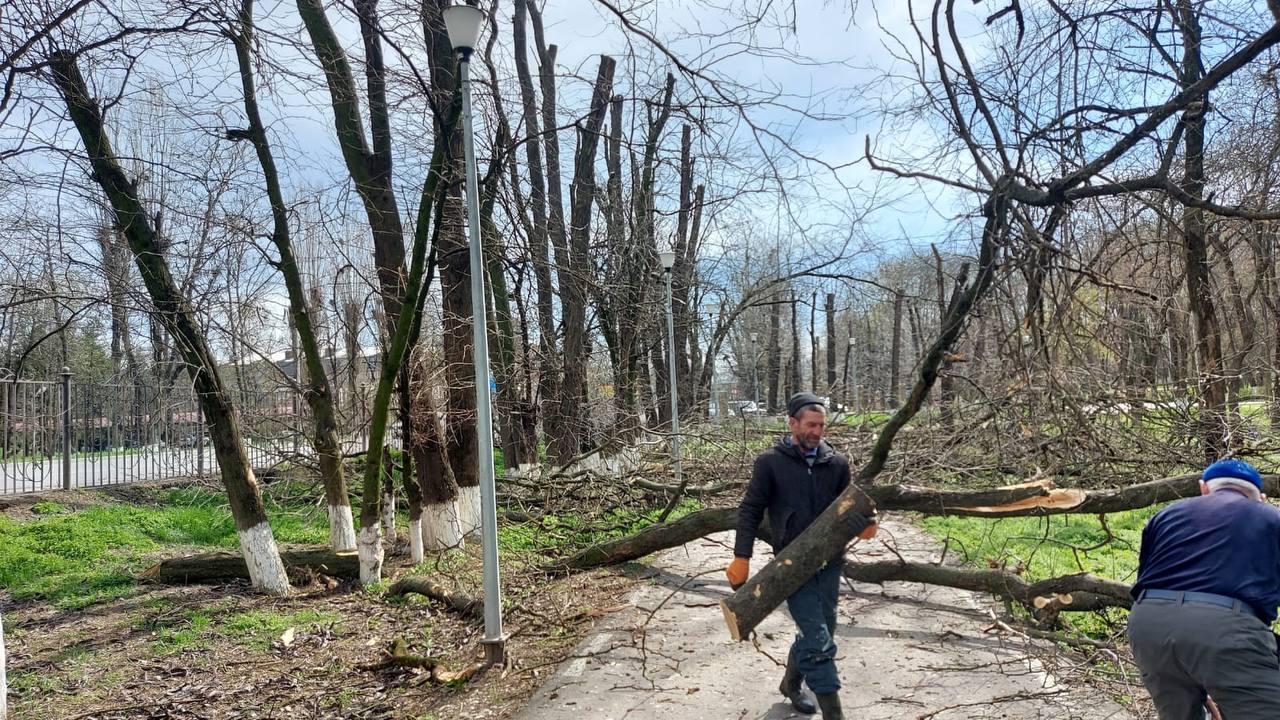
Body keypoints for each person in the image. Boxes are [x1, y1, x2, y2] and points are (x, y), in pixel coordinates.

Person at [725, 392, 876, 719]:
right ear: (792, 423)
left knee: (823, 629)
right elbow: (751, 509)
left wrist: (866, 525)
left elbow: (852, 506)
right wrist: (742, 556)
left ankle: (791, 683)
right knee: (818, 639)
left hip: (830, 562)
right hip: (792, 565)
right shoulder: (770, 463)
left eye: (822, 425)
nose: (818, 431)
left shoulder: (836, 464)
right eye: (811, 425)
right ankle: (834, 714)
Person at [1128, 458, 1280, 720]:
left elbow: (1146, 578)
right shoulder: (1270, 517)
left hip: (1148, 624)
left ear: (1204, 487)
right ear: (1259, 497)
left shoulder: (1163, 516)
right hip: (1224, 630)